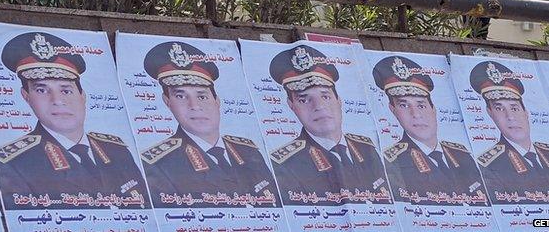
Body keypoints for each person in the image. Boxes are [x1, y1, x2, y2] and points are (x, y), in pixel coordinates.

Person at [0, 32, 149, 210]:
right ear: (26, 96)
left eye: (66, 90)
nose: (57, 100)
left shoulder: (117, 151)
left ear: (82, 96)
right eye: (42, 91)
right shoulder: (14, 164)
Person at [141, 41, 280, 208]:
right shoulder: (159, 165)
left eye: (202, 96)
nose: (194, 106)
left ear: (217, 101)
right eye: (181, 96)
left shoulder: (249, 151)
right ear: (167, 102)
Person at [269, 45, 391, 206]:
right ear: (291, 105)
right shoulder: (285, 164)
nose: (318, 106)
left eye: (325, 96)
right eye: (304, 100)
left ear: (338, 99)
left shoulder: (367, 148)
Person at [372, 56, 488, 206]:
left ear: (433, 108)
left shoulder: (462, 155)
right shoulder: (391, 161)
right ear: (392, 110)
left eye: (421, 105)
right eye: (404, 106)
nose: (416, 114)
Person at [470, 61, 549, 205]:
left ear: (525, 112)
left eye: (515, 108)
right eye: (499, 109)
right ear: (489, 113)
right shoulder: (490, 165)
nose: (510, 117)